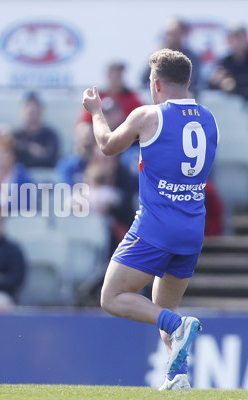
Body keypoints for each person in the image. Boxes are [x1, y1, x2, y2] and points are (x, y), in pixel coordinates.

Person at [82, 48, 218, 391]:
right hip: (192, 229)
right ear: (188, 82)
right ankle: (177, 377)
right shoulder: (209, 118)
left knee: (111, 297)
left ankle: (179, 325)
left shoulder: (148, 116)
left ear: (155, 84)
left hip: (157, 226)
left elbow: (107, 146)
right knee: (161, 308)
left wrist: (97, 111)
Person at [142, 19, 202, 97]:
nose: (171, 37)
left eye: (175, 34)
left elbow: (192, 81)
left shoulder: (192, 57)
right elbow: (144, 79)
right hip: (161, 97)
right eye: (168, 34)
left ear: (182, 34)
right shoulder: (158, 55)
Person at [209, 24, 248, 100]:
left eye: (241, 38)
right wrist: (216, 81)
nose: (238, 42)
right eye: (235, 38)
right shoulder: (226, 61)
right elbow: (213, 84)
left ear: (247, 39)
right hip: (229, 104)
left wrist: (234, 83)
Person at [12, 91, 60, 168]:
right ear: (21, 111)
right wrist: (30, 149)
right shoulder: (15, 135)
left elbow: (49, 160)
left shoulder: (51, 135)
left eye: (36, 106)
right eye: (28, 106)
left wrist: (23, 150)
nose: (32, 109)